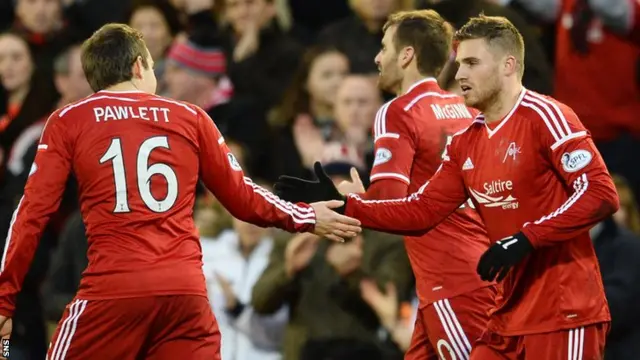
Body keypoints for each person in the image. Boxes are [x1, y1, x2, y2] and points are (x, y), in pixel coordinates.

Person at [0, 23, 361, 360]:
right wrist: (307, 215)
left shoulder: (69, 119)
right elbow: (243, 197)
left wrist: (4, 301)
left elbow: (31, 213)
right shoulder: (191, 117)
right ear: (140, 66)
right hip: (185, 296)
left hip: (113, 292)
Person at [275, 15, 619, 359]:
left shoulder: (547, 115)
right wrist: (345, 204)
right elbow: (422, 210)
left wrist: (527, 238)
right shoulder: (467, 140)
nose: (459, 75)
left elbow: (601, 194)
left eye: (471, 63)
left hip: (561, 307)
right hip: (504, 309)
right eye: (459, 63)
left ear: (508, 66)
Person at [285, 10, 496, 360]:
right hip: (477, 267)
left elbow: (389, 202)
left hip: (450, 279)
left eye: (384, 48)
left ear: (407, 54)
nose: (377, 58)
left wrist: (351, 200)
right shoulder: (467, 110)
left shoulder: (398, 111)